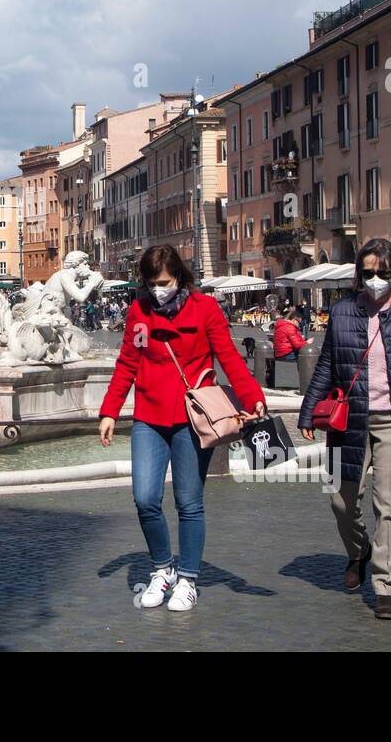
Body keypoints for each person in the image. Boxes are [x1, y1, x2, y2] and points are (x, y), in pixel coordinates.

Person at [98, 244, 267, 613]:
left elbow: (229, 358)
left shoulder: (205, 309)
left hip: (193, 419)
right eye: (153, 283)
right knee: (145, 499)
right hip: (148, 415)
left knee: (189, 503)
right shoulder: (139, 313)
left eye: (166, 282)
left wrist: (253, 397)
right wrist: (110, 411)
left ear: (180, 278)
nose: (160, 289)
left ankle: (188, 578)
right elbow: (127, 362)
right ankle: (163, 569)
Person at [298, 239, 391, 621]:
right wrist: (308, 412)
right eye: (368, 273)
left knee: (390, 506)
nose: (375, 279)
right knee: (340, 500)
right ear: (358, 275)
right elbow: (328, 363)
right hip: (349, 420)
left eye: (382, 273)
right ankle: (359, 552)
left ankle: (385, 585)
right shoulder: (344, 311)